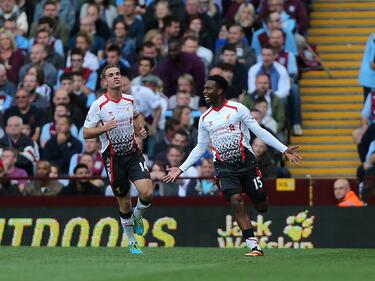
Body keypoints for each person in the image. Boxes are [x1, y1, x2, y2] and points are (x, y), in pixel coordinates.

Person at [163, 75, 301, 257]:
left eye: (208, 88)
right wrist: (181, 168)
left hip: (247, 164)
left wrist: (284, 149)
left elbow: (258, 131)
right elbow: (200, 147)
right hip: (224, 168)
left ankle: (252, 193)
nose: (204, 92)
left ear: (219, 90)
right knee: (236, 200)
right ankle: (254, 246)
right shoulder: (204, 118)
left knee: (262, 206)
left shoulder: (238, 109)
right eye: (204, 89)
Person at [83, 64, 154, 254]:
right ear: (105, 81)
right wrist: (104, 128)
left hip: (132, 154)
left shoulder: (130, 100)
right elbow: (86, 132)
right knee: (124, 202)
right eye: (111, 75)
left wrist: (141, 129)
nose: (116, 77)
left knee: (147, 192)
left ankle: (138, 215)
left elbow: (138, 116)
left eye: (118, 74)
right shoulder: (99, 105)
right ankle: (132, 241)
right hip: (113, 159)